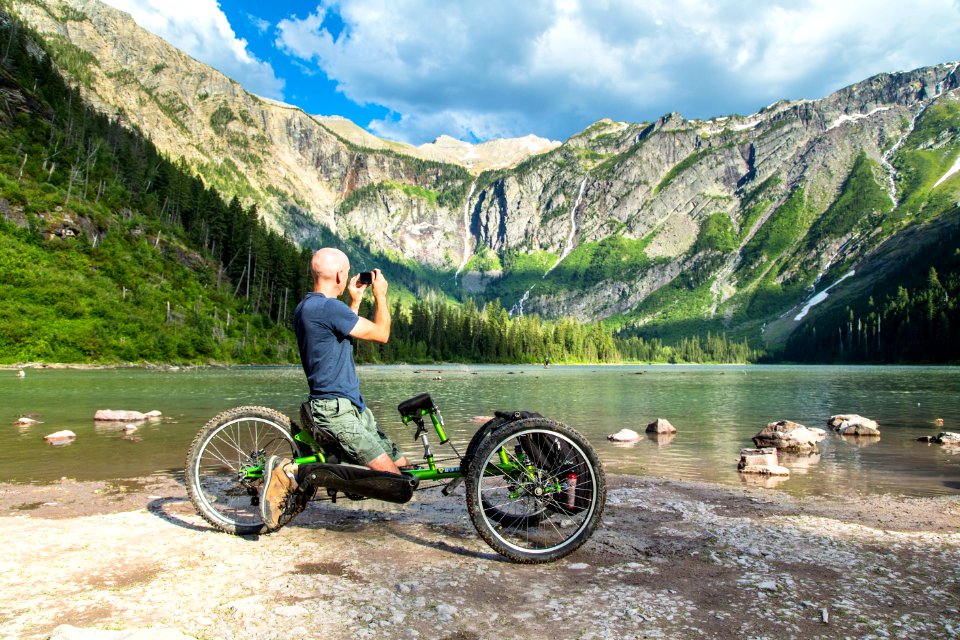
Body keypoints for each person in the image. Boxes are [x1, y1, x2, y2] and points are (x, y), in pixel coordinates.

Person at [260, 247, 409, 529]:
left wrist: (355, 301)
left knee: (403, 464)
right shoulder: (327, 308)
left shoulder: (310, 307)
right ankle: (288, 472)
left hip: (352, 409)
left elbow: (339, 338)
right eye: (347, 271)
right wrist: (380, 295)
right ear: (341, 274)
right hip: (335, 412)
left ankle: (338, 464)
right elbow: (382, 334)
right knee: (396, 484)